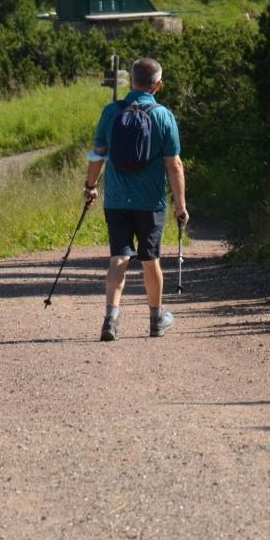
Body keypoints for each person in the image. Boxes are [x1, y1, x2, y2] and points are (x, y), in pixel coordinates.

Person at [83, 57, 188, 342]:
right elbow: (174, 164)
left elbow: (98, 154)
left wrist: (90, 186)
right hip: (150, 202)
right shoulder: (163, 115)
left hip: (116, 199)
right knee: (149, 258)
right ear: (158, 85)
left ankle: (110, 320)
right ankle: (156, 320)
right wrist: (181, 206)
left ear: (130, 82)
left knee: (119, 256)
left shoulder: (111, 112)